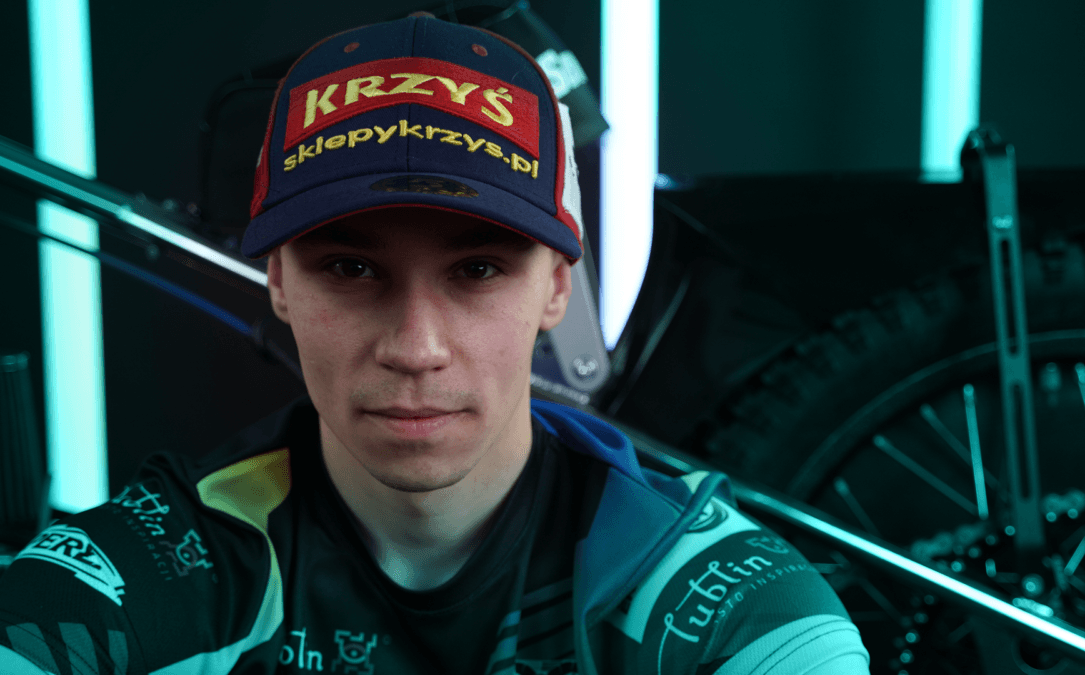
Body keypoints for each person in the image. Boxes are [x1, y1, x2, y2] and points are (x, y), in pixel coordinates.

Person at [0, 12, 869, 675]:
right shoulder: (156, 571)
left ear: (557, 289)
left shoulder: (724, 608)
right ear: (279, 283)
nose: (416, 349)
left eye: (477, 270)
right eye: (351, 267)